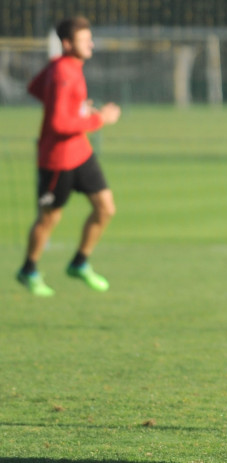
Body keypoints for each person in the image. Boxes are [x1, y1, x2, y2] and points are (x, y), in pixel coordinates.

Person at [16, 16, 121, 296]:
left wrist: (74, 107)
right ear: (66, 43)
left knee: (106, 208)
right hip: (57, 160)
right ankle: (29, 270)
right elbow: (59, 125)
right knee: (49, 219)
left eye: (90, 39)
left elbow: (35, 88)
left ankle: (80, 263)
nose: (91, 44)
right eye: (85, 40)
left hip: (81, 153)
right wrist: (100, 118)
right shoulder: (63, 72)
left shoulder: (65, 67)